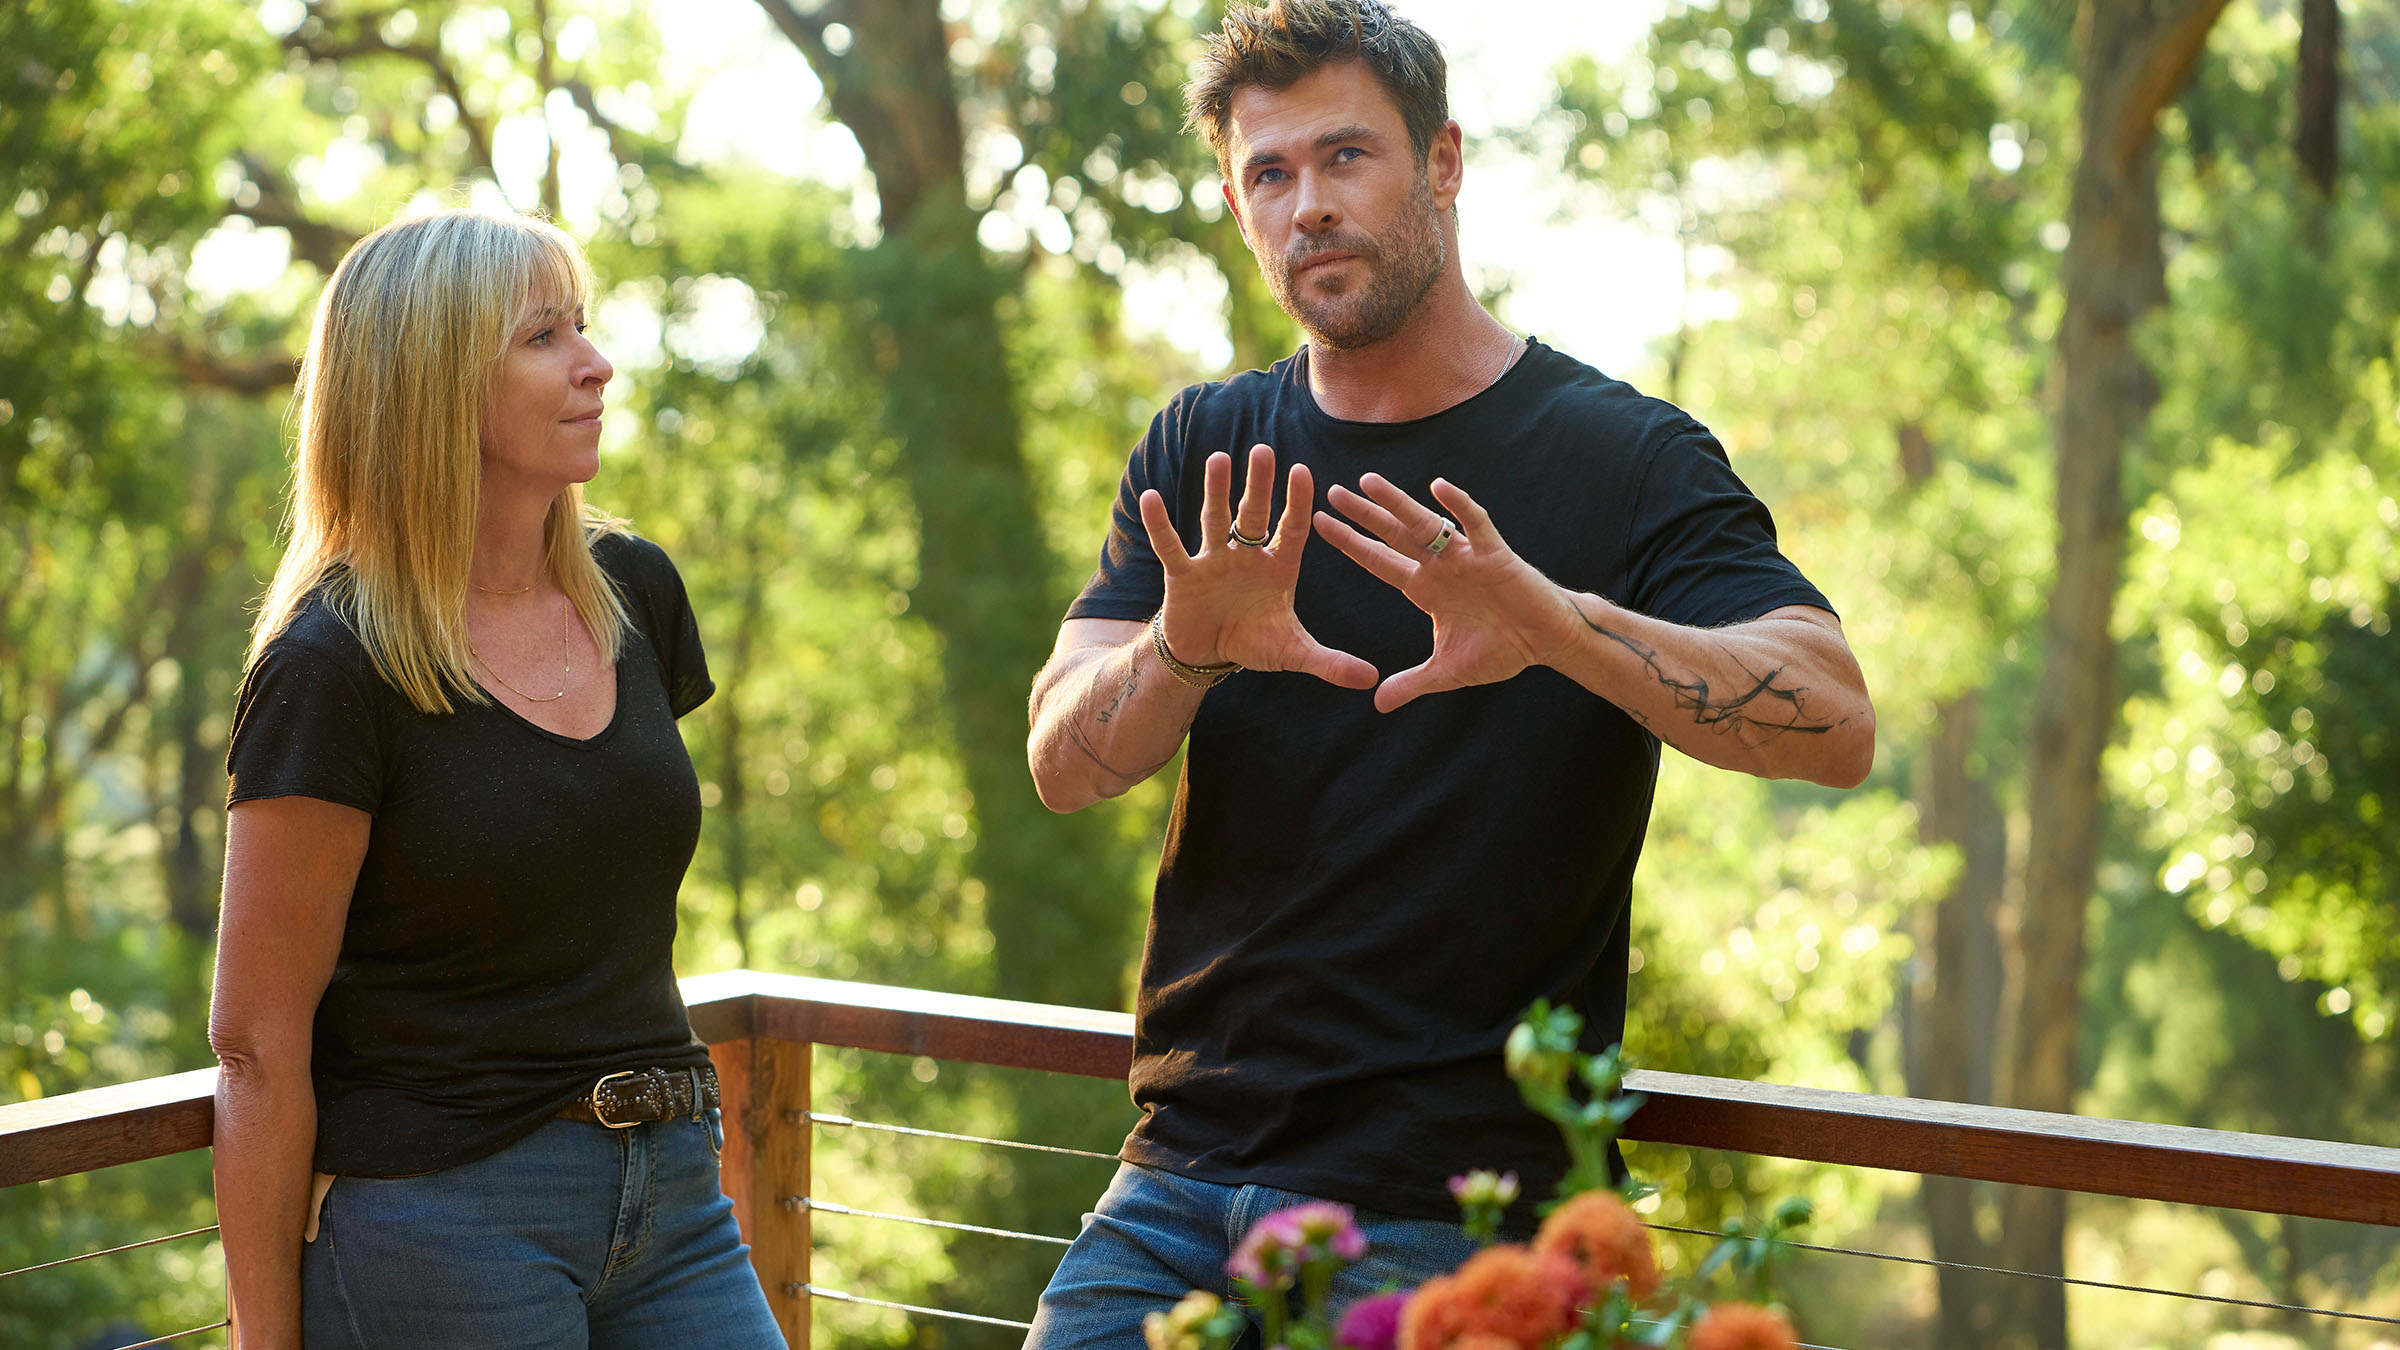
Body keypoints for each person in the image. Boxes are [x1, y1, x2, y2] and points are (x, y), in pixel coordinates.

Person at [1021, 0, 1875, 1340]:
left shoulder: (1622, 456)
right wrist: (1185, 645)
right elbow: (1063, 764)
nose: (1308, 204)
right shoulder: (1204, 448)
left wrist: (1555, 624)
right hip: (1175, 1179)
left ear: (1443, 163)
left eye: (1346, 156)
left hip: (1452, 1209)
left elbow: (1834, 721)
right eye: (1270, 173)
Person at [206, 210, 781, 1350]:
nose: (595, 362)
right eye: (542, 337)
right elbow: (257, 1046)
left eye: (584, 324)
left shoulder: (636, 595)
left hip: (674, 1191)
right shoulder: (333, 666)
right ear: (433, 387)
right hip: (446, 1221)